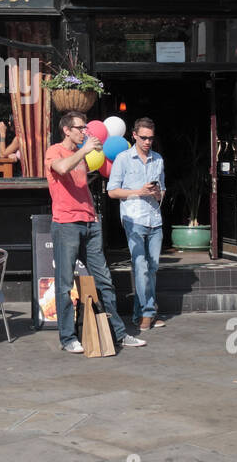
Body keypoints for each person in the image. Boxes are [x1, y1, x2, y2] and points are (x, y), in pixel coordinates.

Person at [46, 111, 144, 352]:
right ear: (67, 130)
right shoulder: (55, 150)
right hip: (66, 224)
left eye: (86, 128)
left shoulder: (83, 153)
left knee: (104, 280)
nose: (84, 132)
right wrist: (85, 149)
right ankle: (68, 338)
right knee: (65, 283)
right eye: (80, 128)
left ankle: (118, 334)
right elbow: (60, 168)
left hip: (89, 222)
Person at [107, 117, 166, 332]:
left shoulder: (157, 159)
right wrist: (137, 192)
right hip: (133, 219)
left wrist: (157, 193)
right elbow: (112, 191)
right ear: (134, 136)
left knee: (152, 268)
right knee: (140, 266)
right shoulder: (123, 159)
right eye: (143, 138)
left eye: (150, 138)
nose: (147, 142)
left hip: (154, 218)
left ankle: (138, 313)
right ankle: (148, 313)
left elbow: (163, 191)